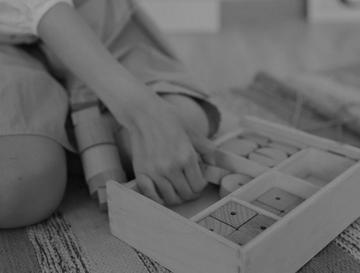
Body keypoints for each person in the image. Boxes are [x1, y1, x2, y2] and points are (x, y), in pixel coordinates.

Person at [0, 0, 220, 228]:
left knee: (187, 124)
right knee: (13, 188)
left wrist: (150, 116)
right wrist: (144, 112)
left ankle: (72, 135)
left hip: (87, 17)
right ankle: (74, 138)